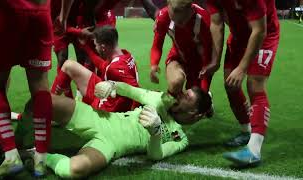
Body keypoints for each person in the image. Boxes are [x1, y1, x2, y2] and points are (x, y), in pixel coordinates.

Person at [22, 80, 211, 178]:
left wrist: (155, 132)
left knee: (73, 170)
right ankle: (15, 143)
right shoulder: (162, 100)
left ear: (195, 113)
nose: (181, 95)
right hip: (102, 119)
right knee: (41, 101)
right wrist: (111, 85)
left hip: (112, 143)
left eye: (187, 97)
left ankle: (36, 155)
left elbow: (155, 155)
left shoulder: (180, 138)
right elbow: (129, 90)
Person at [0, 0, 53, 177]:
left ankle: (11, 156)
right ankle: (41, 159)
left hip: (0, 10)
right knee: (40, 85)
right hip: (40, 10)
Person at [206, 0, 280, 166]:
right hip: (239, 36)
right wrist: (215, 60)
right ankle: (246, 130)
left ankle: (254, 151)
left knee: (255, 86)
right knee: (230, 85)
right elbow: (217, 23)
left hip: (264, 35)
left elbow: (260, 30)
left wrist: (242, 68)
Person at [51, 26, 140, 112]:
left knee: (72, 109)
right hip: (109, 96)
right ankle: (50, 102)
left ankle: (49, 106)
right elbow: (102, 65)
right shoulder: (125, 55)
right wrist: (86, 47)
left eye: (96, 45)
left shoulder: (115, 69)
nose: (96, 48)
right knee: (69, 65)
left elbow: (136, 91)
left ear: (103, 47)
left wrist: (135, 114)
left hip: (107, 110)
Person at [150, 0, 214, 97]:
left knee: (194, 98)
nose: (180, 24)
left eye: (182, 20)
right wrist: (154, 64)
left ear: (191, 10)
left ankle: (206, 98)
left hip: (198, 63)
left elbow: (208, 56)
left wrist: (203, 93)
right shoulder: (163, 16)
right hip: (177, 57)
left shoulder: (203, 19)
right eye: (174, 20)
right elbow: (157, 45)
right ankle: (172, 102)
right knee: (176, 83)